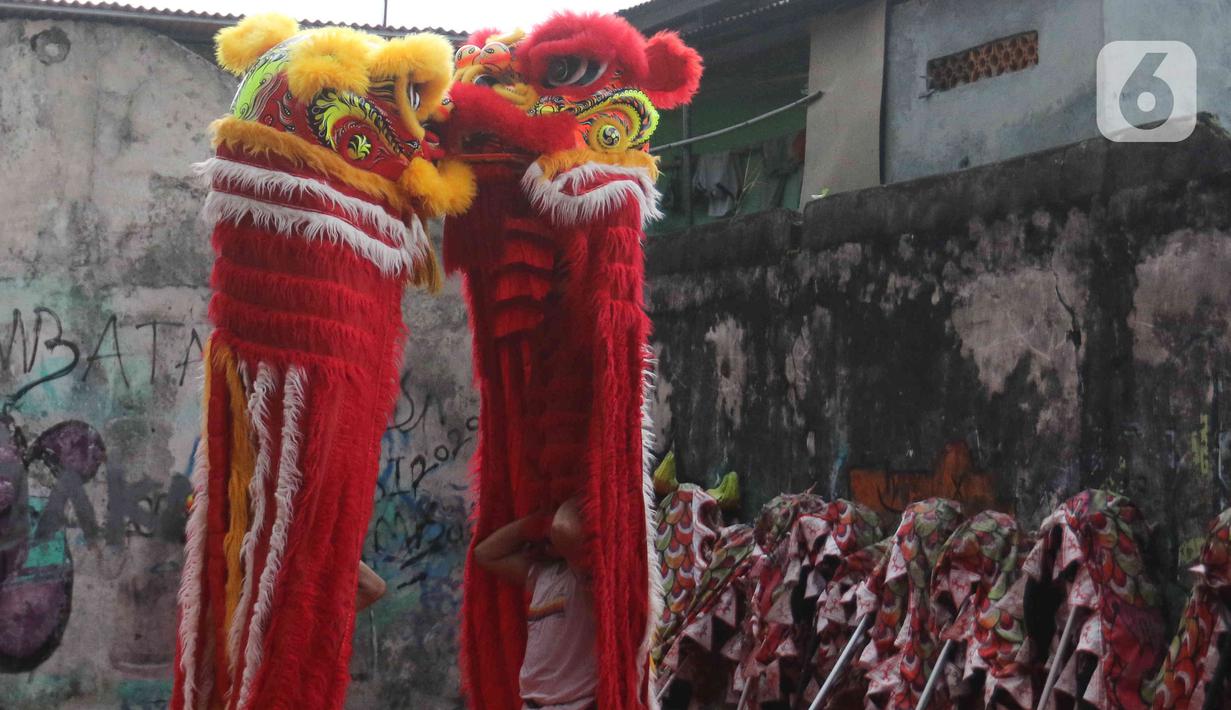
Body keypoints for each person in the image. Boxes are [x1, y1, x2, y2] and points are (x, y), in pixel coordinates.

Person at [473, 498, 597, 710]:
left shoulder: (584, 576)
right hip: (532, 704)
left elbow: (563, 529)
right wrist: (532, 524)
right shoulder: (542, 575)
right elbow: (484, 554)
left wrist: (563, 503)